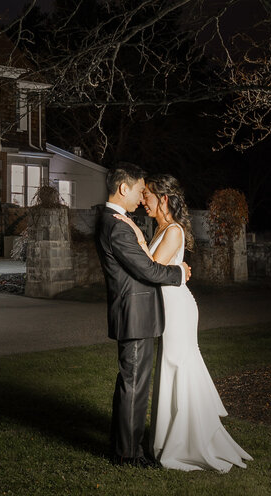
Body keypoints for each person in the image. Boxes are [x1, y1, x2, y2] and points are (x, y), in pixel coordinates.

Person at [141, 174, 251, 472]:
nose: (143, 200)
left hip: (178, 309)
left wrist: (136, 238)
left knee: (178, 365)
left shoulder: (173, 230)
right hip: (169, 308)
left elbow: (150, 269)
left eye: (148, 195)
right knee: (171, 367)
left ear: (163, 198)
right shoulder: (161, 228)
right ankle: (167, 438)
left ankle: (186, 441)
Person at [95, 162, 189, 468]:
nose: (141, 197)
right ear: (124, 188)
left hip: (135, 313)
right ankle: (127, 455)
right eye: (138, 190)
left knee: (131, 383)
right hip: (134, 314)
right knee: (134, 386)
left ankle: (124, 447)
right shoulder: (117, 225)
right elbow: (147, 269)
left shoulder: (117, 222)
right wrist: (179, 272)